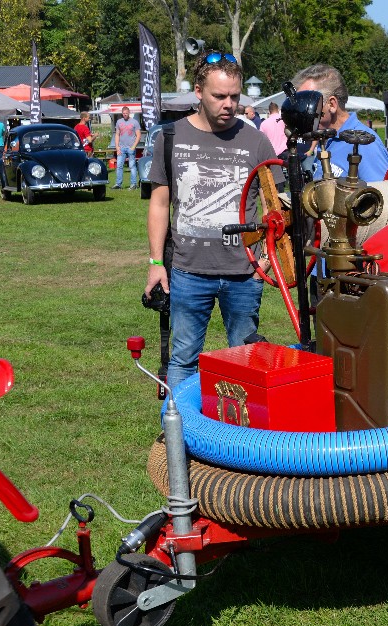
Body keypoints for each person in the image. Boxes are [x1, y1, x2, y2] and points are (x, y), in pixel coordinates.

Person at [144, 51, 285, 390]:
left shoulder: (256, 140)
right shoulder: (171, 138)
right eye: (219, 96)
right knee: (182, 360)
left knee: (245, 361)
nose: (229, 104)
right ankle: (175, 440)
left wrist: (266, 257)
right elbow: (160, 204)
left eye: (234, 96)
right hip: (188, 271)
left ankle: (244, 439)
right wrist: (155, 262)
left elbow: (276, 205)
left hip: (244, 274)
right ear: (198, 92)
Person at [292, 64, 388, 182]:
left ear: (332, 105)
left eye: (307, 105)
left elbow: (383, 196)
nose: (301, 112)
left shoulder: (365, 144)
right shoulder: (326, 139)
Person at [114, 107, 141, 189]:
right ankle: (118, 184)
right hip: (121, 148)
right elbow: (117, 135)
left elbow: (138, 135)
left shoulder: (134, 122)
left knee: (132, 166)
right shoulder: (119, 122)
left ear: (129, 113)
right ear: (122, 113)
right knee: (119, 166)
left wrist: (133, 147)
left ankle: (133, 184)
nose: (125, 114)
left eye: (126, 113)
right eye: (123, 113)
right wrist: (117, 147)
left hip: (130, 148)